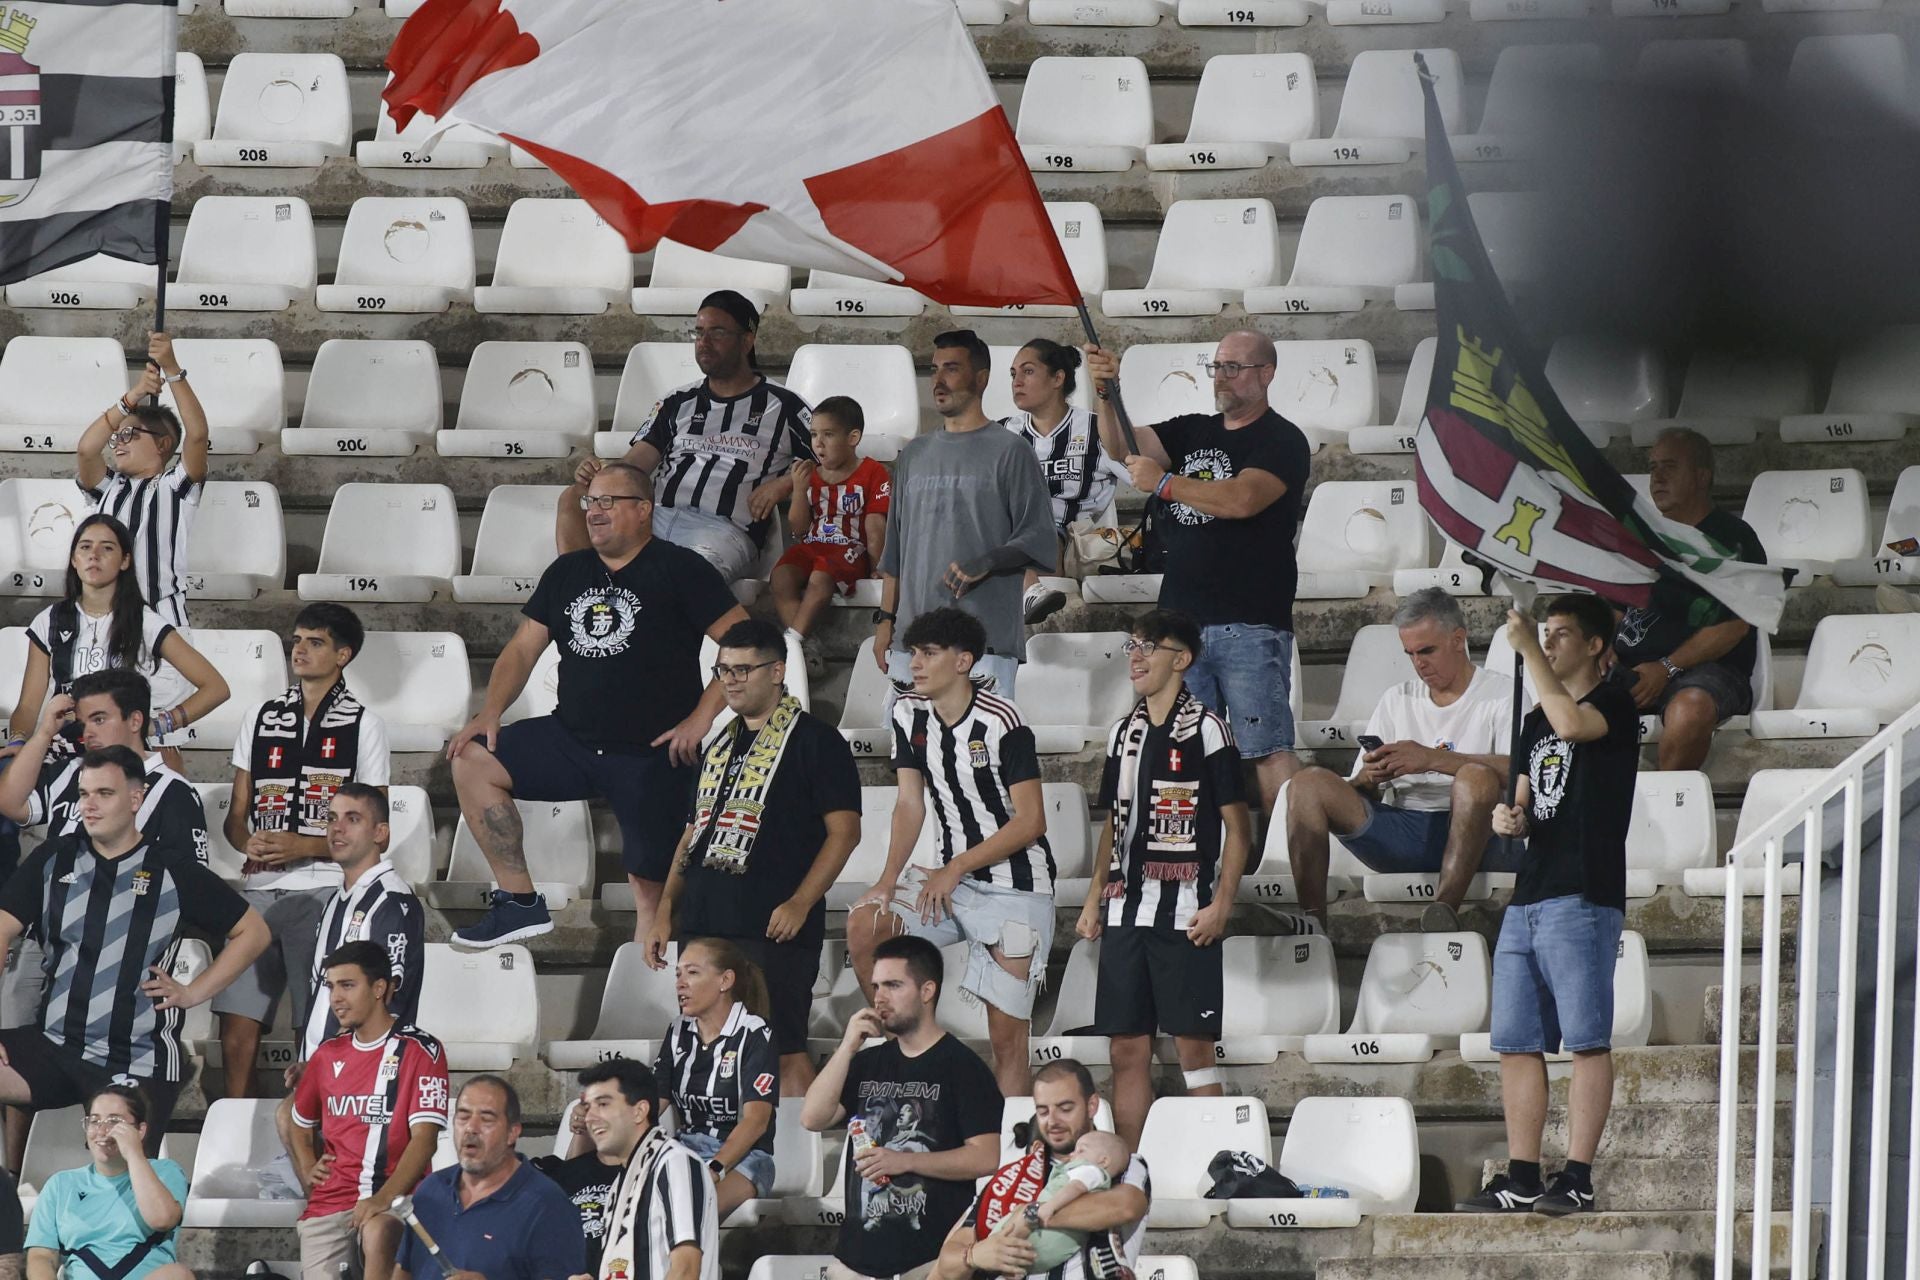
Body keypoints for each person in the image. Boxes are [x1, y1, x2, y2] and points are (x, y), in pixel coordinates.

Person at [449, 462, 748, 949]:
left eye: (610, 501)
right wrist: (491, 711)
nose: (596, 511)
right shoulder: (568, 571)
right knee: (470, 758)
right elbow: (524, 648)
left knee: (649, 891)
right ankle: (519, 904)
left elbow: (744, 645)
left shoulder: (682, 568)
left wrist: (701, 717)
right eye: (592, 502)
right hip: (572, 739)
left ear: (644, 510)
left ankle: (661, 998)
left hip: (651, 752)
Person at [1084, 334, 1314, 816]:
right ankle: (1202, 867)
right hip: (1180, 626)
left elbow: (1241, 499)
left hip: (1248, 619)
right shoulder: (1194, 430)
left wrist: (1165, 484)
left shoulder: (1282, 438)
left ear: (1267, 373)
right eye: (1217, 367)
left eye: (1235, 367)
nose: (1222, 377)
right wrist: (1107, 392)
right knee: (1185, 753)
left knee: (1266, 751)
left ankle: (1286, 866)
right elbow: (1121, 444)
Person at [1459, 597, 1637, 1218]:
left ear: (1594, 645)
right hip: (1530, 892)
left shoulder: (1613, 702)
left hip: (1583, 891)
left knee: (1586, 1040)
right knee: (1516, 1042)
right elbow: (1529, 800)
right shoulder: (1534, 717)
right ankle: (1525, 1174)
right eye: (1546, 635)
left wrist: (1527, 647)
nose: (1551, 643)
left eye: (1562, 635)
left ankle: (1580, 1176)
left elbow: (1572, 727)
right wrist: (1512, 816)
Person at [0, 746, 269, 1150]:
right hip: (55, 1046)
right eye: (83, 794)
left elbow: (254, 932)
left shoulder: (173, 869)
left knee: (124, 1179)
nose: (89, 806)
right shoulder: (54, 858)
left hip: (138, 1057)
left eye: (103, 794)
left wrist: (193, 992)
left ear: (135, 799)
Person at [0, 672, 211, 1169]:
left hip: (121, 990)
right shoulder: (75, 773)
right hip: (46, 947)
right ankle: (10, 1179)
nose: (86, 731)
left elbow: (195, 896)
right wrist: (45, 733)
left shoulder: (172, 794)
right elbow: (10, 803)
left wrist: (193, 990)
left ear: (135, 721)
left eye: (98, 719)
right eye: (83, 720)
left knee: (117, 1141)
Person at [643, 618, 860, 1090]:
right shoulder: (718, 745)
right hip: (702, 922)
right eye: (723, 671)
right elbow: (691, 835)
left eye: (743, 670)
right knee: (709, 1049)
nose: (731, 682)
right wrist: (665, 911)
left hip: (772, 927)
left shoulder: (817, 742)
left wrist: (801, 902)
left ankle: (803, 1161)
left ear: (777, 671)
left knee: (781, 1052)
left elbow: (844, 833)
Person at [848, 608, 1053, 1098]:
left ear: (963, 662)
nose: (914, 664)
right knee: (866, 922)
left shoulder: (1003, 718)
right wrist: (887, 878)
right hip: (949, 883)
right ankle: (913, 1052)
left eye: (929, 653)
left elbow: (1031, 821)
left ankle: (1004, 1159)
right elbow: (909, 803)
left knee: (1007, 1041)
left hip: (1015, 887)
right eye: (913, 652)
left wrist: (954, 867)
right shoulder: (906, 712)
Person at [1077, 609, 1250, 1147]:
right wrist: (1091, 899)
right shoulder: (1122, 733)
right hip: (1127, 909)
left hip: (1185, 911)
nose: (1136, 654)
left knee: (1193, 1049)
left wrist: (1222, 904)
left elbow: (1238, 829)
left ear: (1182, 659)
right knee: (1125, 1049)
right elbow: (1112, 825)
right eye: (1133, 644)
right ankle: (1126, 1169)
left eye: (1150, 645)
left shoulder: (1208, 728)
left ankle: (1217, 1164)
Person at [220, 604, 391, 1099]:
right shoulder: (260, 716)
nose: (300, 649)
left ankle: (307, 1131)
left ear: (344, 654)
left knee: (312, 1024)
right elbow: (236, 814)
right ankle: (236, 1128)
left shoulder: (365, 724)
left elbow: (377, 828)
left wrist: (303, 845)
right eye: (296, 639)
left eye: (315, 642)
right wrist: (244, 840)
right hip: (256, 893)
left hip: (321, 890)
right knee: (236, 1027)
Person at [1284, 588, 1515, 933]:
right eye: (1410, 653)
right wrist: (1369, 778)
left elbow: (1523, 771)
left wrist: (1431, 759)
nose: (1419, 663)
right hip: (1406, 831)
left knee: (1475, 778)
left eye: (1427, 650)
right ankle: (1312, 922)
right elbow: (1363, 788)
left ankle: (1444, 911)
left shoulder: (1501, 693)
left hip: (1484, 835)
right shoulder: (1397, 699)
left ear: (1458, 639)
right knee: (1306, 784)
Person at [563, 290, 814, 582]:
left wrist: (784, 484)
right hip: (653, 519)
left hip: (723, 531)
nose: (704, 343)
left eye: (717, 332)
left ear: (747, 340)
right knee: (573, 497)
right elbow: (634, 466)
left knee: (681, 581)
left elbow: (833, 462)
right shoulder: (677, 401)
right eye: (699, 333)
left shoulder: (783, 405)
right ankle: (579, 597)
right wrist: (599, 472)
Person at [802, 935, 1003, 1280]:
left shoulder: (963, 1067)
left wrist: (905, 1160)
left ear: (927, 991)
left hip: (930, 1261)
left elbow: (986, 1157)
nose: (880, 997)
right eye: (876, 985)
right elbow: (813, 1117)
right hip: (855, 1258)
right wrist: (848, 1046)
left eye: (893, 985)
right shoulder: (866, 1062)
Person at [873, 329, 1057, 701]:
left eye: (952, 369)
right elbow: (894, 553)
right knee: (909, 758)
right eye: (934, 369)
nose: (938, 381)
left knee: (982, 758)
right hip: (912, 644)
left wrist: (987, 561)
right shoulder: (913, 455)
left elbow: (1038, 538)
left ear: (982, 378)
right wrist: (885, 624)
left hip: (983, 645)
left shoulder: (1012, 451)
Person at [288, 941, 448, 1280]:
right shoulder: (327, 1054)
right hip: (330, 1205)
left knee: (378, 1232)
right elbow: (298, 1121)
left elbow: (425, 1140)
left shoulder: (421, 1050)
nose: (335, 998)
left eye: (347, 985)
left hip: (398, 1201)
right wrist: (306, 1166)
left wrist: (382, 1198)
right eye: (331, 986)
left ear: (378, 988)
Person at [1611, 428, 1767, 771]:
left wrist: (1665, 668)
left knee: (1689, 710)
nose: (1657, 477)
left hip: (1707, 672)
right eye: (1653, 467)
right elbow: (1611, 609)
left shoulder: (1734, 540)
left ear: (1701, 476)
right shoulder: (1638, 536)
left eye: (1669, 466)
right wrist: (1602, 651)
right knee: (1552, 709)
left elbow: (1734, 627)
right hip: (1630, 668)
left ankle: (1667, 809)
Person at [5, 514, 229, 750]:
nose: (94, 555)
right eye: (85, 547)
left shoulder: (145, 621)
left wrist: (158, 725)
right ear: (73, 559)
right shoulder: (49, 620)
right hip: (62, 751)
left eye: (107, 548)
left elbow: (216, 687)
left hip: (120, 754)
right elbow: (28, 707)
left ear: (125, 561)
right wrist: (17, 743)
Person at [73, 333, 207, 631]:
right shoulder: (109, 487)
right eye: (116, 437)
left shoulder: (176, 486)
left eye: (129, 435)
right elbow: (86, 449)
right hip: (104, 623)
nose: (118, 443)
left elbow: (197, 435)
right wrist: (131, 397)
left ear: (163, 445)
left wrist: (172, 369)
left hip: (162, 619)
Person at [395, 1077, 585, 1280]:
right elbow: (404, 1271)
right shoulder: (431, 1189)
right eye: (463, 1117)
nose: (471, 1128)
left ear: (513, 1133)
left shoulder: (548, 1205)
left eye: (486, 1119)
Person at [651, 939, 778, 1220]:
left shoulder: (755, 1033)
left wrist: (715, 1169)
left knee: (693, 1215)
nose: (680, 983)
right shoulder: (677, 1030)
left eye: (692, 973)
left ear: (725, 980)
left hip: (743, 1158)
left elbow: (756, 1121)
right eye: (678, 974)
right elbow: (653, 1102)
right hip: (683, 1150)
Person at [1003, 340, 1127, 625]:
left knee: (1040, 526)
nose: (1017, 382)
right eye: (1013, 374)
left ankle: (1035, 601)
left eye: (1028, 372)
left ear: (1058, 378)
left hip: (1068, 538)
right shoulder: (1004, 432)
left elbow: (1144, 477)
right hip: (1008, 534)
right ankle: (1030, 592)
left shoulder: (1097, 430)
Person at [301, 784, 424, 1057]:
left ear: (380, 833)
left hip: (359, 1077)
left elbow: (384, 1001)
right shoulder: (336, 899)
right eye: (332, 818)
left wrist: (330, 1068)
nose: (337, 828)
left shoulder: (391, 901)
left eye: (353, 819)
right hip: (320, 1072)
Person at [24, 1084, 190, 1280]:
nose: (102, 1131)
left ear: (140, 1130)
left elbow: (162, 1220)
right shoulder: (61, 1184)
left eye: (114, 1121)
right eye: (94, 1121)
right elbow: (41, 1256)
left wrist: (134, 1154)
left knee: (177, 1275)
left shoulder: (165, 1171)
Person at [772, 396, 890, 669]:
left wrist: (877, 566)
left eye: (828, 435)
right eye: (813, 435)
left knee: (820, 577)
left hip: (849, 548)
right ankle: (805, 642)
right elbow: (799, 529)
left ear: (853, 437)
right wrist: (799, 491)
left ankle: (791, 643)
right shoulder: (808, 474)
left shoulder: (873, 472)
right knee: (781, 576)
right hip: (813, 545)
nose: (818, 443)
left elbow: (875, 525)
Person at [982, 1131, 1131, 1270]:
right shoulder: (1092, 1175)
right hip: (1053, 1246)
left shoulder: (1090, 1170)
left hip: (1049, 1234)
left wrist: (1050, 1207)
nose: (1073, 1154)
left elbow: (1075, 1188)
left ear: (1103, 1161)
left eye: (1081, 1150)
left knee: (1006, 1239)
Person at [530, 1089, 624, 1276]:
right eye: (585, 1106)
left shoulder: (649, 1175)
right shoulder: (552, 1172)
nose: (586, 1114)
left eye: (603, 1104)